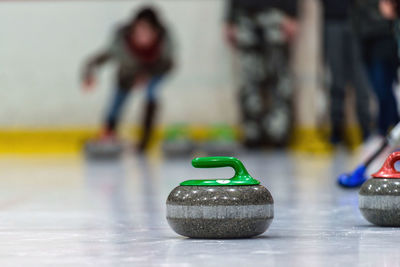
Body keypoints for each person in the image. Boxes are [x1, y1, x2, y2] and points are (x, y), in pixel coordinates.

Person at [82, 7, 174, 152]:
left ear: (155, 33)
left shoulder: (165, 43)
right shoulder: (121, 42)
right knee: (116, 101)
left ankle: (145, 140)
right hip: (127, 74)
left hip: (154, 72)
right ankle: (108, 133)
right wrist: (88, 74)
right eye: (139, 32)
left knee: (151, 94)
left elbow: (169, 64)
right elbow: (97, 59)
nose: (142, 37)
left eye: (147, 33)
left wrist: (147, 75)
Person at [224, 0, 298, 148]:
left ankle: (279, 133)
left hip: (276, 14)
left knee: (278, 77)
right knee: (249, 79)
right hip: (245, 16)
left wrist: (292, 14)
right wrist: (230, 18)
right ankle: (253, 133)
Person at [321, 0, 373, 145]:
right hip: (332, 18)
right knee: (336, 77)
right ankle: (336, 130)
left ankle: (366, 129)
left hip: (358, 19)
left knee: (360, 77)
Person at [353, 0, 399, 137]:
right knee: (378, 88)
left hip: (385, 40)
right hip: (367, 41)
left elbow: (388, 11)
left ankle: (387, 129)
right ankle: (387, 130)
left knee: (383, 89)